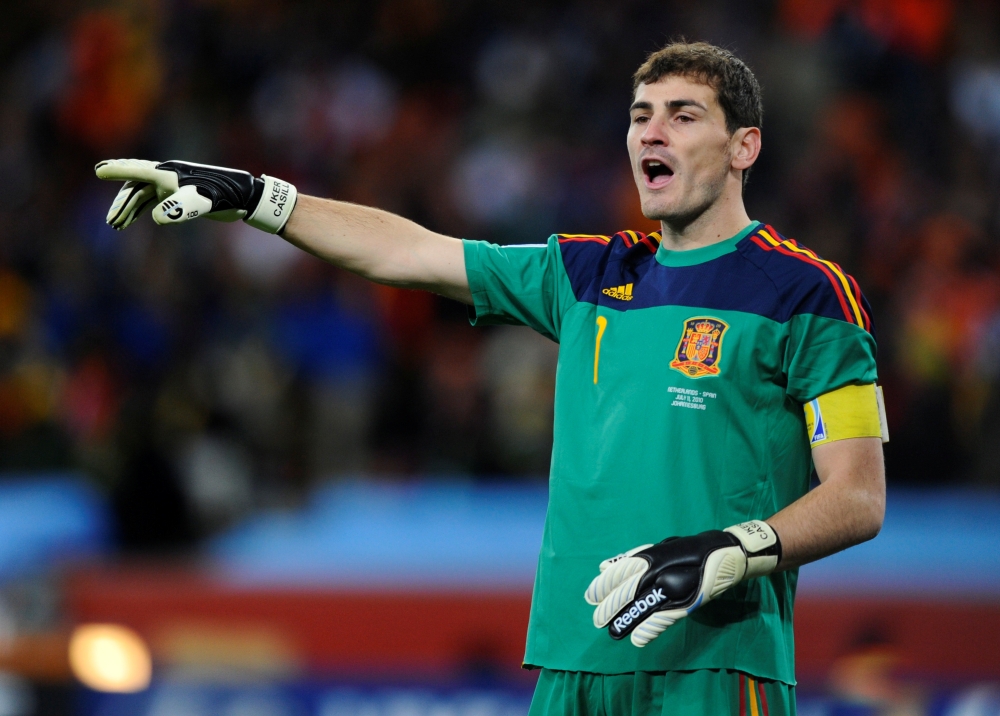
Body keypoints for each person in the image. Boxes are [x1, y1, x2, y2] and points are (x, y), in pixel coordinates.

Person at [96, 41, 887, 716]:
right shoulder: (590, 272)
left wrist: (730, 549)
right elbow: (408, 252)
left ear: (744, 147)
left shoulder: (807, 293)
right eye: (641, 115)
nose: (653, 131)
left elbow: (858, 495)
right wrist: (258, 198)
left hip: (716, 664)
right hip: (571, 662)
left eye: (683, 115)